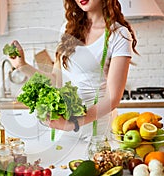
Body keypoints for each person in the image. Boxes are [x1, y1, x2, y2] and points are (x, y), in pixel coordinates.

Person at [8, 0, 138, 138]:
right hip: (65, 132)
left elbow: (112, 98)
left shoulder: (118, 35)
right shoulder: (68, 29)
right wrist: (22, 66)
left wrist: (73, 123)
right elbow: (56, 81)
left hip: (96, 133)